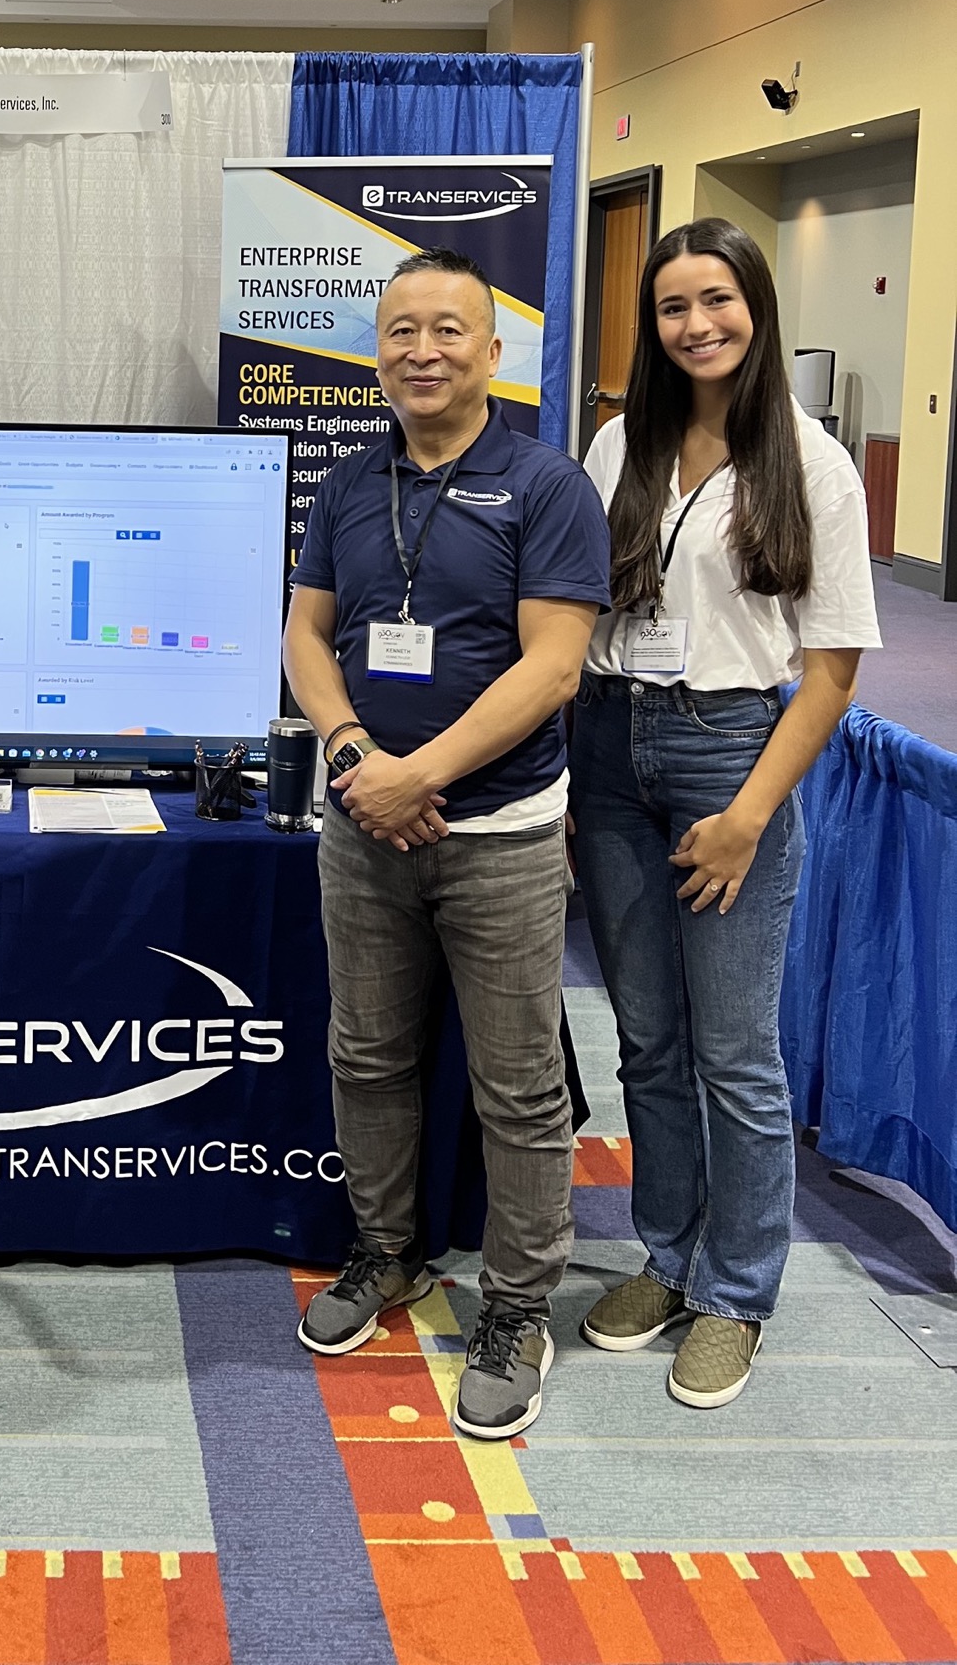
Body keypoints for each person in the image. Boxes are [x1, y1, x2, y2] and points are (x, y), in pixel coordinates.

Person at [282, 246, 609, 1439]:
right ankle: (388, 1254)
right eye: (400, 330)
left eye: (448, 331)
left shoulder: (546, 483)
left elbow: (554, 665)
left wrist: (423, 773)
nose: (422, 350)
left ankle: (517, 1310)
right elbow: (307, 635)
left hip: (504, 833)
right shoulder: (348, 483)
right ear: (377, 348)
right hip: (365, 822)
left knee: (518, 1087)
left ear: (493, 349)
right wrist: (357, 755)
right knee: (366, 1052)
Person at [570, 218, 879, 1408]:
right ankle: (666, 1252)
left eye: (718, 300)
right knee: (643, 1034)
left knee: (734, 1051)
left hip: (728, 752)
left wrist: (751, 813)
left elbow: (834, 671)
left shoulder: (813, 465)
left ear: (756, 306)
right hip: (610, 746)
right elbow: (579, 617)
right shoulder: (618, 446)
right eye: (672, 307)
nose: (696, 324)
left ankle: (736, 1291)